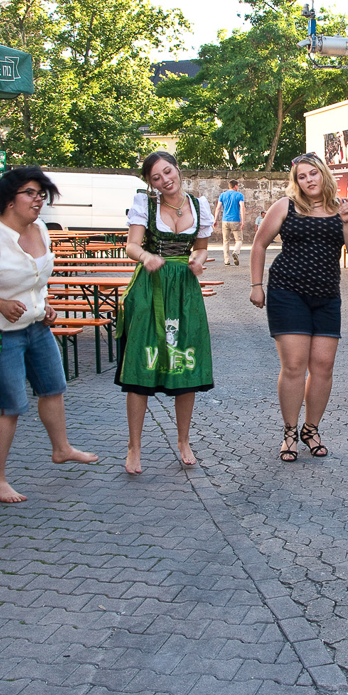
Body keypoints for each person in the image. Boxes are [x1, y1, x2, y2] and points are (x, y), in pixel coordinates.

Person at [0, 167, 99, 503]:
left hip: (35, 324)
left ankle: (61, 449)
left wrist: (44, 305)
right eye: (30, 193)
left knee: (53, 387)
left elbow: (37, 278)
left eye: (40, 193)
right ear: (8, 200)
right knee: (10, 406)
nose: (38, 199)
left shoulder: (42, 229)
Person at [249, 154, 348, 461]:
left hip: (327, 295)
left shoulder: (344, 208)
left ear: (324, 174)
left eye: (313, 173)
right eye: (302, 176)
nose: (309, 180)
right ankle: (290, 432)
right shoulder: (286, 206)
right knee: (294, 366)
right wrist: (256, 285)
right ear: (296, 181)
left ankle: (311, 429)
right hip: (287, 292)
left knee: (324, 367)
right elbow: (259, 243)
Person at [118, 151, 214, 474]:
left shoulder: (200, 206)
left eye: (167, 172)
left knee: (185, 364)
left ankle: (183, 439)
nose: (164, 180)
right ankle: (134, 446)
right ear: (150, 182)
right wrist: (146, 257)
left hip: (185, 290)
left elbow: (200, 247)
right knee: (141, 368)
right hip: (150, 287)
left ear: (177, 169)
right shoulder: (145, 205)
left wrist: (198, 261)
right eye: (156, 178)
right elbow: (131, 245)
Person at [214, 180, 245, 266]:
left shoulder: (223, 195)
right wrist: (243, 220)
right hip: (235, 220)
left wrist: (215, 220)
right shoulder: (239, 195)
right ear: (235, 186)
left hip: (225, 220)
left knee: (226, 241)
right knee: (239, 239)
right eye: (237, 186)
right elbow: (242, 207)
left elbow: (218, 208)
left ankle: (226, 260)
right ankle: (235, 252)